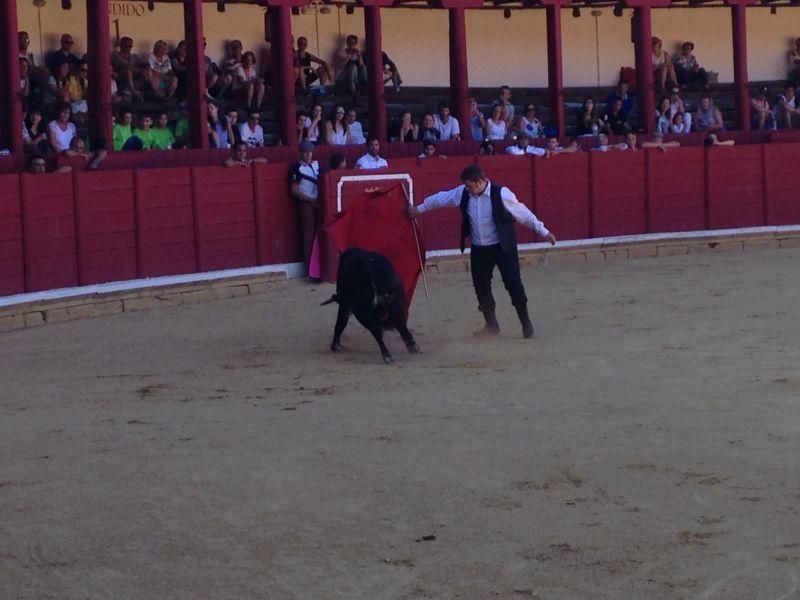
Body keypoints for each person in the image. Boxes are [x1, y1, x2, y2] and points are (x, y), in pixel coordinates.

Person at [407, 165, 556, 338]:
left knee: (513, 283)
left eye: (470, 186)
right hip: (479, 248)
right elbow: (441, 198)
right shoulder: (463, 192)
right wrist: (419, 209)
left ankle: (525, 322)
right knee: (481, 287)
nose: (467, 190)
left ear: (480, 182)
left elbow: (523, 214)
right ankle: (492, 325)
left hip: (503, 246)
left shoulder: (501, 193)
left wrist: (544, 232)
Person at [289, 140, 321, 281]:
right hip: (306, 205)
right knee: (309, 237)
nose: (308, 155)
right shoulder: (296, 168)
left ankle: (319, 268)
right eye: (306, 153)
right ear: (301, 153)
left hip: (319, 203)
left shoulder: (316, 165)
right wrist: (309, 199)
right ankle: (310, 270)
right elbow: (295, 190)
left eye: (310, 152)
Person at [111, 37, 146, 101]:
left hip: (133, 78)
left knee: (147, 72)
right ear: (121, 46)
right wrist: (138, 70)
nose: (128, 48)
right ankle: (133, 92)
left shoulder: (134, 56)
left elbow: (142, 63)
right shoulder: (115, 55)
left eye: (130, 46)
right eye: (126, 46)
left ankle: (158, 93)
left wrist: (145, 67)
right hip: (121, 78)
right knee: (128, 71)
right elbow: (125, 66)